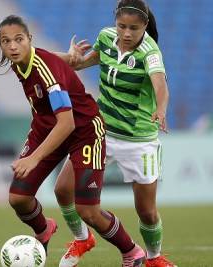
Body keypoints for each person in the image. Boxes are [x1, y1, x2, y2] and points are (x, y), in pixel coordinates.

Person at [0, 14, 145, 266]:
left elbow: (67, 122)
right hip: (45, 128)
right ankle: (44, 229)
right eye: (6, 41)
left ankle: (132, 252)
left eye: (18, 40)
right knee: (18, 198)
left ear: (29, 40)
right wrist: (70, 57)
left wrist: (34, 158)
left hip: (84, 132)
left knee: (87, 211)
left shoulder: (46, 74)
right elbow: (52, 58)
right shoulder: (20, 60)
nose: (12, 46)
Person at [56, 0, 177, 266]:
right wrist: (75, 60)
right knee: (63, 189)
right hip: (100, 132)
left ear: (145, 26)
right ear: (115, 22)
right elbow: (90, 61)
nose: (126, 33)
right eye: (121, 26)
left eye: (134, 28)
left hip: (139, 141)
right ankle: (82, 239)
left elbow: (160, 85)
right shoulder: (106, 36)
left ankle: (154, 258)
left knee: (146, 211)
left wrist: (162, 109)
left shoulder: (150, 52)